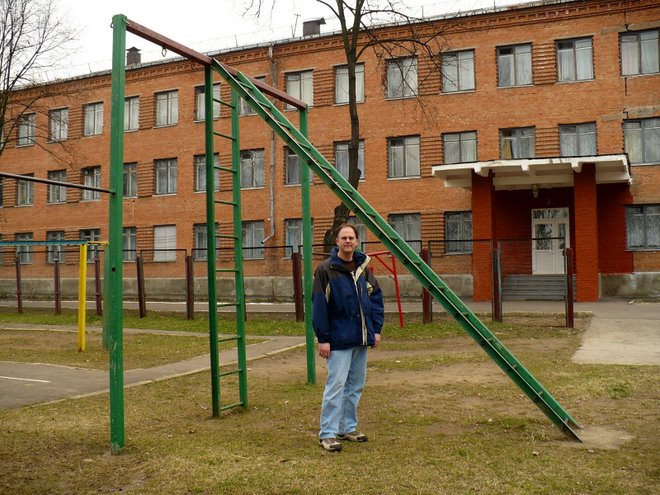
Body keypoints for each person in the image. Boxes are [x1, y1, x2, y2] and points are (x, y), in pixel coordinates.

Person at [312, 223, 384, 452]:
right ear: (337, 242)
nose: (348, 241)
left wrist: (376, 329)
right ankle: (328, 433)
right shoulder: (326, 270)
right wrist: (323, 338)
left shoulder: (364, 268)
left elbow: (376, 299)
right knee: (336, 386)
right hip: (338, 340)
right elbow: (319, 306)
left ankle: (347, 427)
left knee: (355, 386)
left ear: (356, 241)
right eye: (344, 237)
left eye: (351, 237)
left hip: (360, 338)